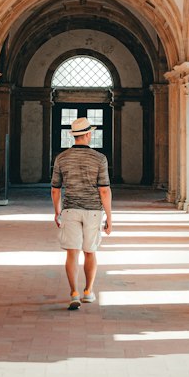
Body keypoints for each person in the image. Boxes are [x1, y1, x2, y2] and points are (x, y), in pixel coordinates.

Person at [51, 117, 112, 309]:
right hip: (93, 211)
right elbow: (104, 190)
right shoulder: (99, 158)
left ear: (73, 135)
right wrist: (109, 216)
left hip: (70, 209)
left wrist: (57, 211)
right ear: (88, 134)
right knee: (90, 252)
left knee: (72, 253)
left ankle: (74, 293)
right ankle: (88, 292)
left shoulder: (61, 158)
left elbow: (55, 189)